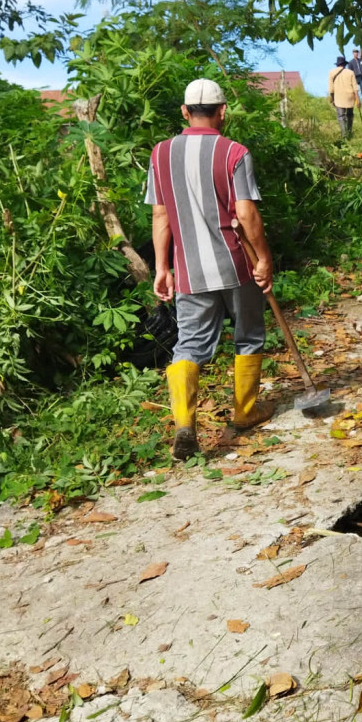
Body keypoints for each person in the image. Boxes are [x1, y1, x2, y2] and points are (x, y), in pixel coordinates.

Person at [146, 78, 275, 460]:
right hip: (236, 264)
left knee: (189, 344)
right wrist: (264, 258)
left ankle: (186, 424)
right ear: (223, 112)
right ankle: (245, 412)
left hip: (189, 271)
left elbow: (160, 214)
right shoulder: (234, 152)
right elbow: (246, 212)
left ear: (185, 112)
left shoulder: (160, 154)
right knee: (248, 336)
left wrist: (162, 267)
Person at [328, 55, 359, 138]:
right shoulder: (350, 72)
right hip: (350, 96)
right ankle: (349, 131)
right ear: (344, 64)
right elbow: (355, 87)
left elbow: (331, 89)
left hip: (339, 97)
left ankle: (344, 134)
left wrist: (332, 99)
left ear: (337, 64)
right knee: (350, 114)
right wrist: (358, 100)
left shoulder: (331, 72)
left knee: (341, 116)